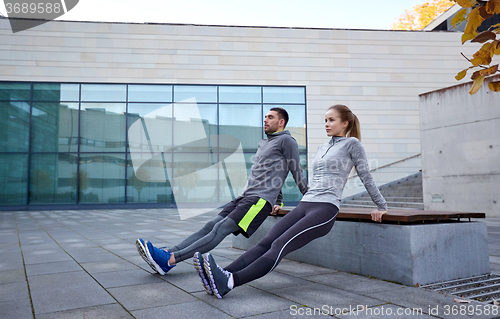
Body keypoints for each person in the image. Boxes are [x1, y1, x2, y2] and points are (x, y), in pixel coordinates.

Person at [197, 104, 388, 298]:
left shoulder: (352, 144)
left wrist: (381, 206)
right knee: (266, 242)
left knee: (280, 244)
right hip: (306, 203)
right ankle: (221, 274)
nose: (326, 124)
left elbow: (365, 175)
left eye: (331, 120)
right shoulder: (323, 147)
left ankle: (230, 282)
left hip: (325, 208)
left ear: (345, 123)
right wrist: (278, 200)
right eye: (325, 120)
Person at [136, 107, 308, 287]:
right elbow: (274, 172)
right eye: (265, 117)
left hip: (259, 201)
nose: (265, 120)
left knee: (221, 228)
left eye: (270, 117)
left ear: (281, 122)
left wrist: (308, 196)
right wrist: (279, 199)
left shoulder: (287, 141)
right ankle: (166, 253)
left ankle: (171, 259)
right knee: (209, 225)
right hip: (245, 197)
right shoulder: (264, 143)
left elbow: (295, 169)